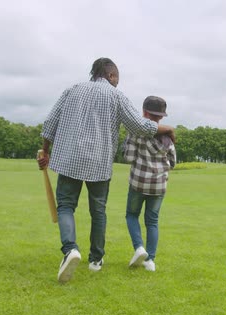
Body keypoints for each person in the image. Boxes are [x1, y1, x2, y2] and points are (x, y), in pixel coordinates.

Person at [37, 57, 176, 283]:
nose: (118, 82)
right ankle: (95, 260)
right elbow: (140, 126)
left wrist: (45, 151)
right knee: (98, 212)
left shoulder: (72, 89)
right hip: (99, 163)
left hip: (70, 158)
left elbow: (50, 124)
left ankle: (70, 249)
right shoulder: (115, 95)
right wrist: (167, 127)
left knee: (66, 206)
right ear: (110, 75)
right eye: (117, 78)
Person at [123, 96, 176, 272]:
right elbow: (173, 162)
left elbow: (128, 157)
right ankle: (150, 261)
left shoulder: (136, 132)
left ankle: (139, 248)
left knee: (131, 215)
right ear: (161, 117)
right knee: (152, 222)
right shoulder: (168, 137)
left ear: (145, 112)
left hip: (138, 183)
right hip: (159, 185)